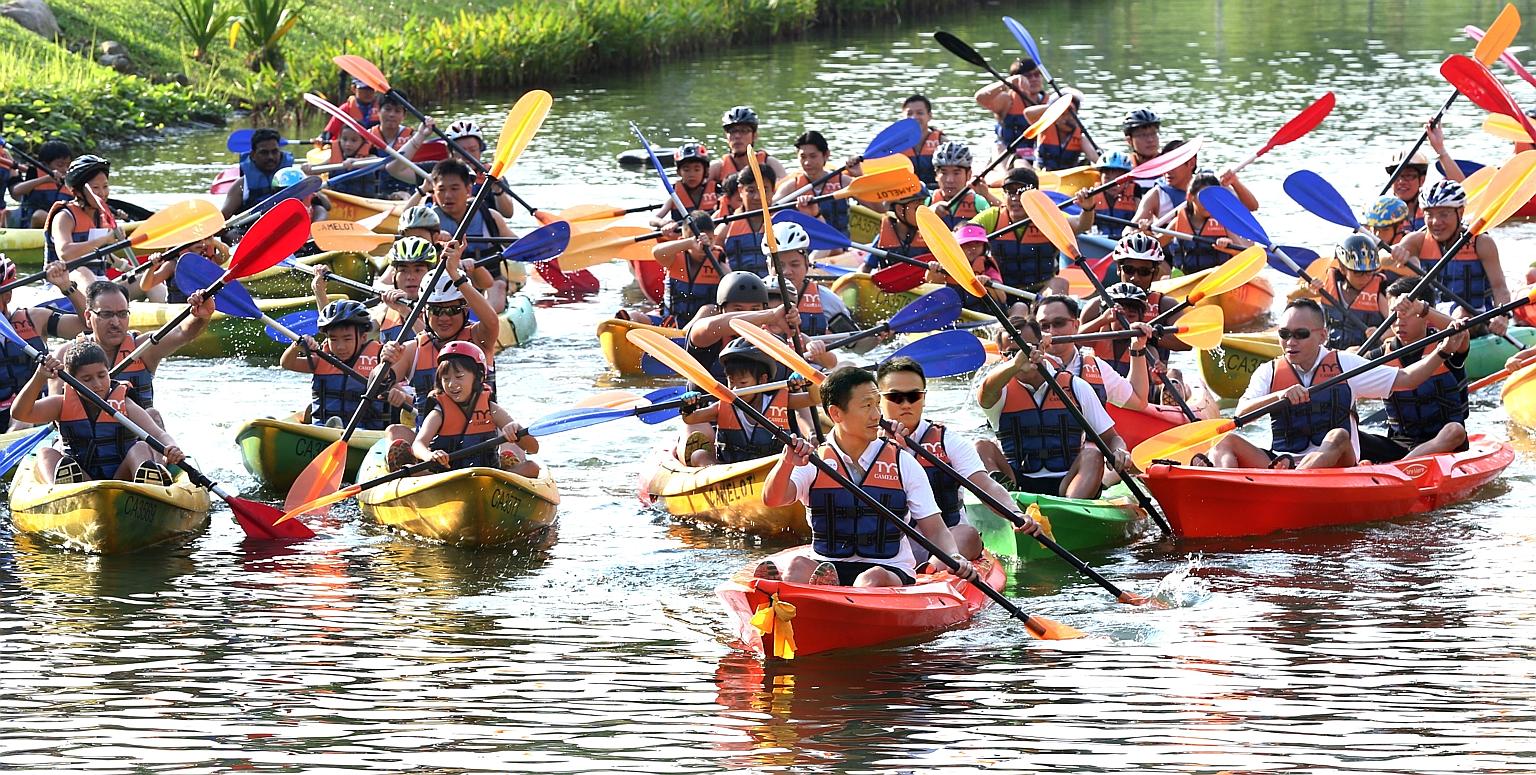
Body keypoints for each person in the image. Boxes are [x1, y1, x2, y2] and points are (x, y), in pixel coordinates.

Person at [760, 366, 981, 587]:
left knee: (870, 578)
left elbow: (936, 529)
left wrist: (954, 556)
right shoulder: (815, 460)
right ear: (836, 413)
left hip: (888, 569)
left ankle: (835, 596)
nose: (877, 415)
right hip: (828, 565)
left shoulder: (902, 462)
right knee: (797, 567)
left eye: (877, 404)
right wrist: (786, 463)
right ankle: (818, 592)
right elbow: (773, 499)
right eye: (867, 406)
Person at [1203, 299, 1462, 470]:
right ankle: (1229, 485)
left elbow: (1407, 380)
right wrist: (1279, 395)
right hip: (1283, 462)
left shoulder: (1345, 364)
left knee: (1339, 436)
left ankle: (1294, 484)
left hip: (1338, 465)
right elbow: (1240, 414)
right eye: (1284, 334)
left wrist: (1440, 352)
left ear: (1322, 336)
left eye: (1300, 334)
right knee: (1226, 443)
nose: (1290, 341)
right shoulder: (1268, 372)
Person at [878, 356, 1040, 561]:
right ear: (878, 400)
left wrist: (1016, 514)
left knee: (968, 535)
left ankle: (933, 572)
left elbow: (986, 486)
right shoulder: (864, 443)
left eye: (914, 396)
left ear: (924, 398)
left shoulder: (948, 441)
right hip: (888, 547)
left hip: (946, 543)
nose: (906, 404)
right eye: (895, 397)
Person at [975, 317, 1131, 498]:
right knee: (981, 447)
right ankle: (1003, 501)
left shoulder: (1075, 386)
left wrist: (1120, 451)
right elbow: (986, 391)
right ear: (1002, 356)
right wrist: (1015, 364)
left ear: (1042, 347)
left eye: (1028, 348)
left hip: (1068, 482)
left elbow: (1111, 438)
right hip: (1018, 483)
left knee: (1093, 455)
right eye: (1012, 353)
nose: (1022, 357)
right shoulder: (999, 392)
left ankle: (1072, 510)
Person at [13, 341, 185, 485]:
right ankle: (58, 494)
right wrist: (39, 377)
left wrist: (172, 447)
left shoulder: (124, 403)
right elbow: (20, 413)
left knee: (140, 447)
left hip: (122, 480)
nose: (97, 384)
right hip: (83, 482)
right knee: (46, 453)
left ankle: (149, 486)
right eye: (87, 379)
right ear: (71, 382)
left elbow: (157, 434)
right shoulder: (60, 405)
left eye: (102, 375)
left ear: (108, 371)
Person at [383, 241, 501, 425]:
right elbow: (376, 383)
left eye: (452, 310)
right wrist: (385, 361)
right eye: (437, 311)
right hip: (430, 448)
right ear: (425, 312)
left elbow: (492, 321)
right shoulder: (412, 350)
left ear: (465, 309)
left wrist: (455, 273)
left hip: (481, 443)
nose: (444, 318)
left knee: (513, 447)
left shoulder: (479, 338)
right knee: (395, 432)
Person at [1357, 278, 1471, 463]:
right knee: (1346, 435)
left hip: (1446, 444)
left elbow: (1463, 333)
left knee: (1455, 431)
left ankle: (1398, 468)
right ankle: (1393, 466)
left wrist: (1421, 308)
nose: (1398, 322)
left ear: (1426, 315)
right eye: (1394, 314)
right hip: (1399, 445)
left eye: (1406, 313)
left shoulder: (1447, 344)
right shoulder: (1379, 356)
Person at [386, 341, 538, 477]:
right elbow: (418, 445)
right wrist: (429, 456)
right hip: (446, 477)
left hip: (487, 475)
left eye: (459, 376)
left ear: (478, 377)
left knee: (532, 468)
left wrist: (517, 430)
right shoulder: (439, 413)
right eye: (446, 379)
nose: (451, 384)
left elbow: (533, 448)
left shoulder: (491, 409)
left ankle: (506, 461)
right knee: (410, 470)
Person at [79, 280, 212, 428]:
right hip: (87, 443)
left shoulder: (143, 347)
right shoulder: (68, 356)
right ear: (88, 317)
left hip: (139, 441)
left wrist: (200, 316)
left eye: (122, 314)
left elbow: (183, 333)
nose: (116, 322)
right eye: (106, 314)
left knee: (153, 415)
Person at [1392, 180, 1510, 334]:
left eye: (1443, 214)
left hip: (1473, 317)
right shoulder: (1418, 241)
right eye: (1429, 214)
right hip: (1431, 315)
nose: (1436, 222)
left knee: (1461, 313)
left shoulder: (1481, 243)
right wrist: (1395, 253)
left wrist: (1502, 315)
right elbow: (1382, 259)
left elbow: (1499, 286)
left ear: (1460, 212)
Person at [677, 339, 814, 466]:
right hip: (730, 471)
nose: (736, 388)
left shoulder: (781, 400)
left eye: (743, 382)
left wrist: (808, 381)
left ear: (762, 380)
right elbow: (691, 419)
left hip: (773, 466)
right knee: (698, 455)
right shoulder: (722, 406)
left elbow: (815, 398)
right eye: (731, 381)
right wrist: (688, 407)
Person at [282, 299, 409, 430]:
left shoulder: (379, 360)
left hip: (364, 431)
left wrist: (401, 396)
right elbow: (287, 363)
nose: (340, 346)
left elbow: (405, 397)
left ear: (363, 337)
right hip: (322, 427)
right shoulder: (320, 359)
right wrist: (296, 347)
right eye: (333, 339)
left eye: (347, 339)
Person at [0, 257, 87, 429]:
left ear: (8, 296)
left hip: (31, 409)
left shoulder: (35, 319)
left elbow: (88, 324)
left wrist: (66, 286)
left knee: (21, 422)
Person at [969, 167, 1078, 297]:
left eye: (1022, 192)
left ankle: (1039, 313)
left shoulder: (1047, 218)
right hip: (1001, 289)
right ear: (1004, 195)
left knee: (1060, 283)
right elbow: (962, 235)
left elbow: (1080, 224)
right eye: (1010, 192)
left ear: (1035, 195)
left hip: (1041, 291)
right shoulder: (992, 217)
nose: (1015, 198)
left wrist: (1089, 209)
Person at [1034, 294, 1150, 410]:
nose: (1051, 332)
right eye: (1043, 326)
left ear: (1076, 326)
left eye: (1059, 323)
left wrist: (1137, 347)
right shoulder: (1026, 363)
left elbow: (1139, 401)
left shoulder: (1097, 367)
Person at [429, 159, 515, 312]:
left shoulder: (490, 217)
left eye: (454, 188)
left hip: (489, 281)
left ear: (468, 189)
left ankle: (485, 321)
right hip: (444, 286)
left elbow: (514, 245)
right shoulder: (429, 223)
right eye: (441, 190)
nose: (447, 196)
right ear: (434, 192)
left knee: (499, 285)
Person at [320, 237, 434, 342]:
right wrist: (319, 290)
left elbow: (434, 346)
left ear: (430, 274)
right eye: (403, 270)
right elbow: (346, 338)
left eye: (418, 270)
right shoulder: (386, 310)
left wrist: (405, 312)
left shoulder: (442, 308)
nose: (410, 277)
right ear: (393, 275)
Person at [761, 221, 858, 337]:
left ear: (806, 264)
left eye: (795, 264)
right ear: (768, 266)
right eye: (779, 266)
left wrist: (877, 335)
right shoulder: (756, 296)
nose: (786, 272)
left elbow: (859, 346)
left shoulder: (827, 300)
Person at [44, 155, 127, 287]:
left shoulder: (101, 216)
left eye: (105, 186)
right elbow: (65, 253)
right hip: (65, 285)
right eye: (95, 188)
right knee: (84, 272)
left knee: (146, 280)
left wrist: (129, 268)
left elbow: (103, 256)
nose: (102, 193)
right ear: (78, 191)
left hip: (99, 283)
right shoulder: (64, 217)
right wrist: (106, 239)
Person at [1163, 170, 1252, 274]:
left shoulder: (1223, 221)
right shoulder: (1179, 220)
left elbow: (1245, 254)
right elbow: (1157, 243)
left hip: (1216, 278)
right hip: (1185, 278)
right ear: (1190, 197)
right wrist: (1146, 231)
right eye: (1204, 198)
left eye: (1213, 199)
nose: (1209, 204)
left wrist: (1228, 247)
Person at [651, 211, 728, 327]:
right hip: (669, 320)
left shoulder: (719, 261)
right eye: (698, 240)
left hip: (700, 327)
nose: (703, 245)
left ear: (714, 239)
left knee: (709, 309)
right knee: (634, 316)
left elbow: (731, 283)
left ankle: (682, 335)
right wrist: (690, 242)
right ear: (684, 241)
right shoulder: (673, 258)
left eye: (709, 240)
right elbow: (656, 252)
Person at [1313, 235, 1389, 350]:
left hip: (1364, 353)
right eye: (1358, 273)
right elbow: (1293, 298)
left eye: (1369, 273)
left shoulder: (1378, 295)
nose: (1364, 279)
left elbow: (1397, 323)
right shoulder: (1326, 287)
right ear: (1342, 268)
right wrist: (1307, 288)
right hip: (1331, 350)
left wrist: (1381, 334)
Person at [774, 131, 856, 236]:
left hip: (841, 246)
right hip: (805, 248)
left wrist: (859, 176)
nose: (807, 162)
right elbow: (767, 209)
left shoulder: (844, 182)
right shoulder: (790, 187)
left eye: (813, 156)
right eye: (803, 157)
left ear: (826, 155)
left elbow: (879, 208)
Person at [975, 57, 1048, 164]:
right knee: (1000, 149)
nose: (1034, 79)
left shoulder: (1049, 102)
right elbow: (980, 98)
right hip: (1007, 157)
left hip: (1037, 158)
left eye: (1037, 74)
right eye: (1028, 76)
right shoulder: (1007, 100)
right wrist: (1007, 83)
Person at [925, 223, 1006, 312]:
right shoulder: (947, 263)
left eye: (977, 243)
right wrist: (931, 271)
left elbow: (1002, 298)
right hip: (954, 314)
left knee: (1020, 306)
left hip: (984, 316)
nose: (973, 248)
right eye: (966, 244)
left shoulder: (987, 265)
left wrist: (988, 285)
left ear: (984, 246)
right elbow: (931, 282)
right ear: (957, 247)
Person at [139, 234, 232, 304]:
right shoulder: (172, 265)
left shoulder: (208, 259)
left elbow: (226, 254)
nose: (200, 243)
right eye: (195, 240)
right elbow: (146, 286)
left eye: (202, 240)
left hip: (204, 305)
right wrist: (152, 266)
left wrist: (212, 241)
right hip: (179, 309)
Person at [222, 129, 294, 218]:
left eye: (274, 151)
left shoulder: (294, 177)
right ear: (253, 155)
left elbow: (314, 203)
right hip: (253, 227)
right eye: (264, 152)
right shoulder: (242, 186)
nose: (270, 157)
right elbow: (223, 218)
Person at [715, 168, 773, 277]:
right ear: (741, 191)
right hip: (739, 288)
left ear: (773, 191)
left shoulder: (782, 222)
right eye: (751, 191)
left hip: (776, 288)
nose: (757, 197)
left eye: (764, 190)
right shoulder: (725, 229)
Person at [927, 141, 998, 228]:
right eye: (944, 173)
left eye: (956, 173)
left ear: (968, 175)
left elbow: (1005, 215)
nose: (950, 180)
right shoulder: (927, 201)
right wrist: (929, 213)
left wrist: (987, 195)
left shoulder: (979, 202)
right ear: (936, 175)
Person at [710, 106, 787, 184]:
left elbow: (786, 188)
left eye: (744, 131)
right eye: (732, 131)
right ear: (726, 136)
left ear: (755, 136)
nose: (737, 136)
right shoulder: (717, 168)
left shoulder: (770, 163)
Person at [1028, 89, 1098, 170]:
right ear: (1055, 116)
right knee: (1020, 162)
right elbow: (1028, 113)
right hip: (1042, 174)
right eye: (1063, 114)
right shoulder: (1045, 128)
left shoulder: (1081, 139)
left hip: (1067, 177)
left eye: (1071, 113)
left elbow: (1095, 158)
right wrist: (1056, 106)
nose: (1068, 118)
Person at [650, 143, 717, 227]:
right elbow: (654, 219)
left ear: (705, 171)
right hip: (684, 237)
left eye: (697, 169)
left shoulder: (716, 192)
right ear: (679, 172)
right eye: (686, 170)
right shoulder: (675, 196)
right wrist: (664, 223)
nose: (691, 174)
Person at [9, 140, 72, 228]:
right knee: (40, 215)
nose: (65, 169)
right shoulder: (34, 173)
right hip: (33, 225)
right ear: (45, 164)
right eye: (60, 165)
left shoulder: (71, 180)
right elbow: (16, 191)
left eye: (68, 165)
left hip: (63, 224)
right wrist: (44, 179)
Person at [870, 185, 928, 268]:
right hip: (890, 280)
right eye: (917, 209)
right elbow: (867, 267)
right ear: (900, 210)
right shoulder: (882, 238)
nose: (921, 213)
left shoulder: (929, 237)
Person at [1085, 151, 1139, 238]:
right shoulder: (1092, 193)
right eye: (1107, 178)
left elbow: (1141, 215)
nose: (1112, 184)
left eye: (1118, 179)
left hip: (1126, 239)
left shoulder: (1135, 190)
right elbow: (1086, 223)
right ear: (1100, 177)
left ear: (1127, 180)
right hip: (1099, 240)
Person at [900, 94, 946, 188]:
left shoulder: (942, 142)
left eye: (920, 113)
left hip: (936, 191)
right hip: (906, 193)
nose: (914, 118)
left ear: (929, 116)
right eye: (909, 114)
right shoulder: (893, 144)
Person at [1383, 148, 1430, 231]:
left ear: (1422, 180)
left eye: (1408, 176)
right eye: (1396, 176)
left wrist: (1441, 152)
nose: (1401, 182)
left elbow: (1461, 184)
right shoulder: (1382, 211)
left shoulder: (1432, 207)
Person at [1121, 108, 1162, 195]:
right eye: (1143, 135)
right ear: (1129, 141)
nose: (1150, 139)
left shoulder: (1170, 167)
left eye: (1153, 133)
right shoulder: (1122, 169)